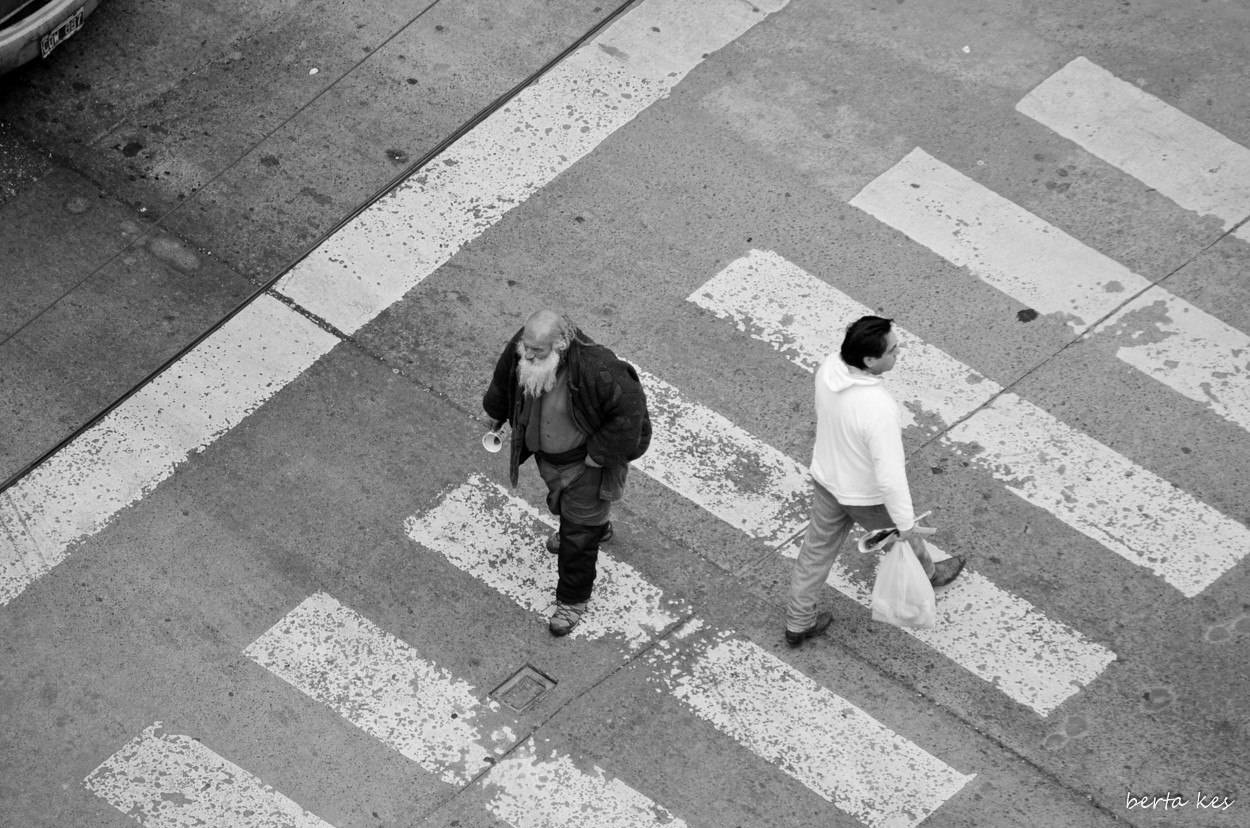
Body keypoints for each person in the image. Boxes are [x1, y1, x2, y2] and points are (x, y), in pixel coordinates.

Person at [785, 315, 965, 647]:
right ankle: (930, 575)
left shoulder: (828, 369)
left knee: (816, 552)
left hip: (827, 478)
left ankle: (798, 622)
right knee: (904, 535)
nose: (899, 353)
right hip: (864, 496)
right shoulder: (878, 408)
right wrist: (906, 521)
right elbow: (890, 478)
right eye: (893, 350)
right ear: (869, 360)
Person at [483, 310, 651, 636]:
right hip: (550, 461)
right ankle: (595, 529)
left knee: (577, 535)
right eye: (526, 348)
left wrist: (599, 455)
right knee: (571, 514)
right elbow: (506, 373)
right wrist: (495, 411)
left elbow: (631, 410)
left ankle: (572, 601)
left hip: (585, 466)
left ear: (560, 344)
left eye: (537, 351)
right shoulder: (528, 345)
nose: (528, 355)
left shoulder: (597, 368)